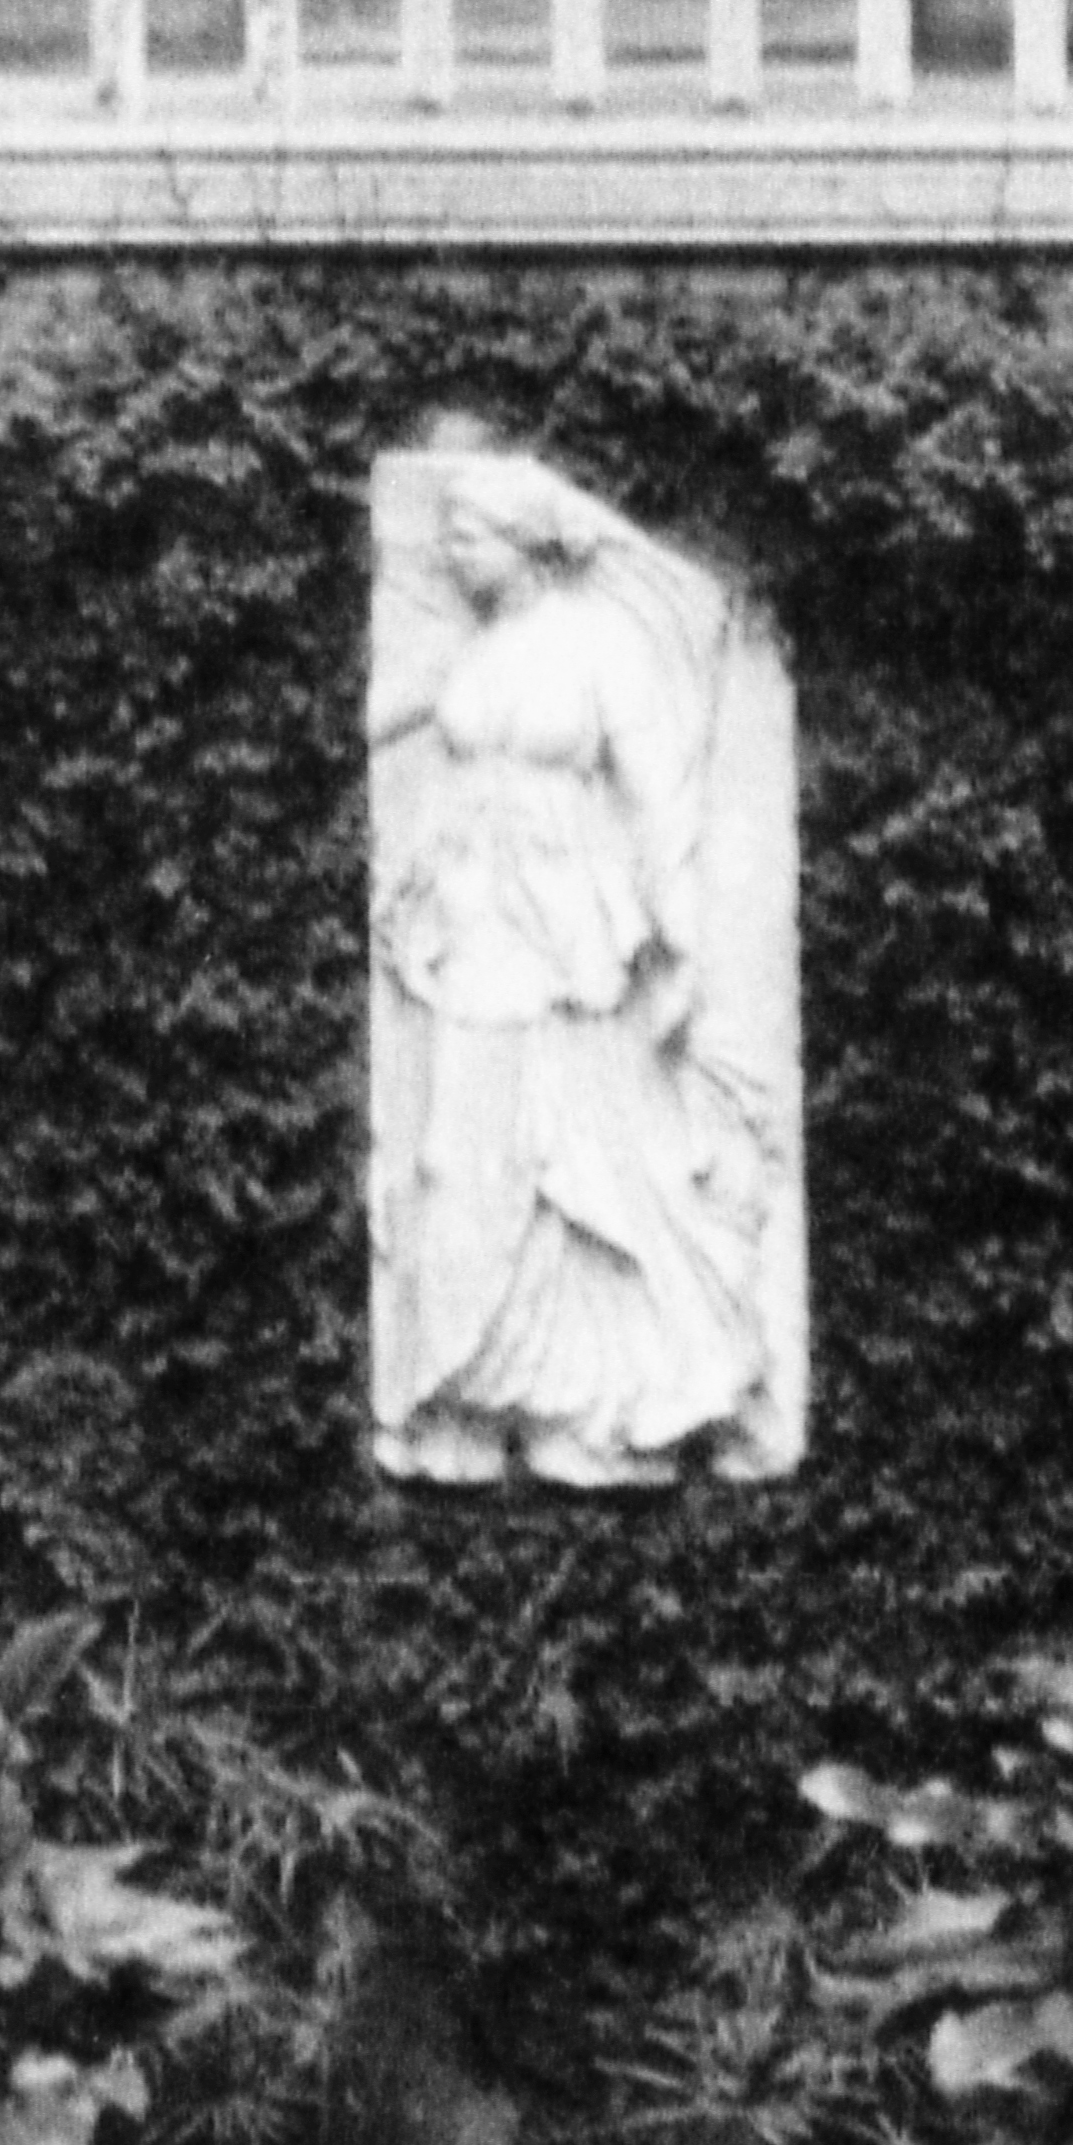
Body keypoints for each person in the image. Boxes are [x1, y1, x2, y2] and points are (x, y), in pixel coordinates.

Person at [372, 447, 780, 1479]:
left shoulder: (602, 647)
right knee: (459, 1159)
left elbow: (657, 792)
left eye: (469, 535)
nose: (453, 553)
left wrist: (677, 935)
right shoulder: (474, 655)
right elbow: (404, 745)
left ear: (525, 543)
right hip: (471, 933)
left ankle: (603, 1399)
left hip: (569, 939)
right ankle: (468, 1390)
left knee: (589, 1164)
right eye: (449, 533)